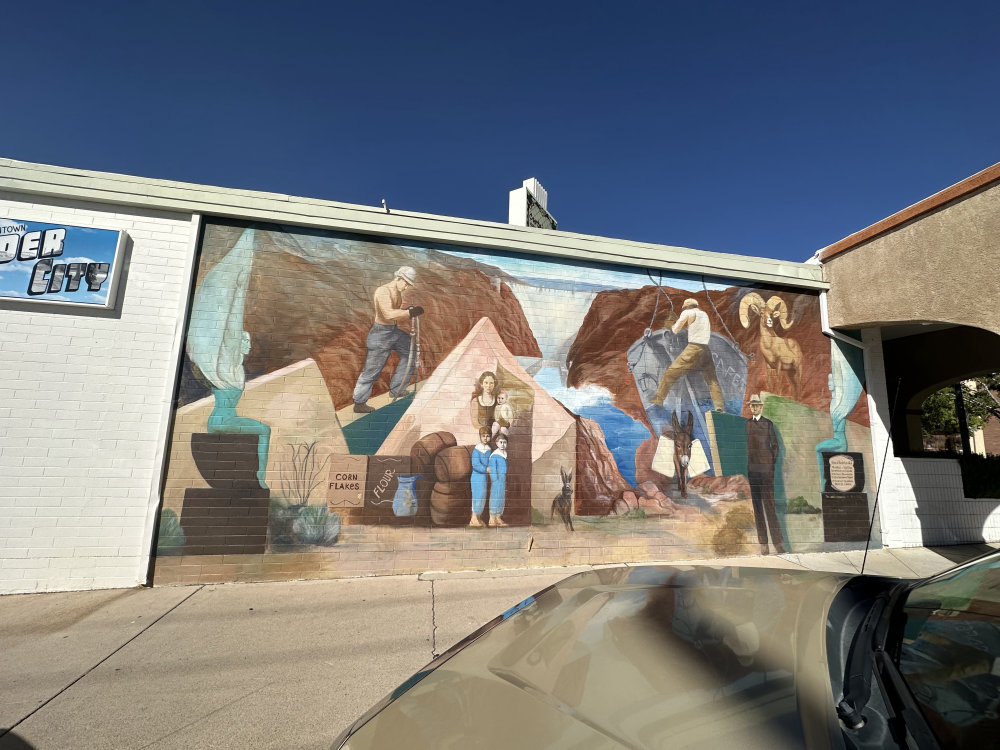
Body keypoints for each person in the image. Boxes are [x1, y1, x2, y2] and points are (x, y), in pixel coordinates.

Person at [352, 267, 424, 413]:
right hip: (380, 334)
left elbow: (397, 314)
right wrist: (409, 312)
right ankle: (359, 403)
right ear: (399, 278)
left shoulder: (398, 292)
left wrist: (408, 310)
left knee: (412, 351)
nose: (406, 287)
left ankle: (397, 388)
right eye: (406, 283)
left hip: (393, 332)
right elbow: (388, 314)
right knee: (371, 371)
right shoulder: (383, 291)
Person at [649, 298, 724, 411]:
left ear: (686, 307)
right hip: (706, 349)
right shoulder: (704, 314)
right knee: (712, 380)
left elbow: (675, 329)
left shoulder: (687, 312)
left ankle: (659, 399)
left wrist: (670, 326)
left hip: (693, 348)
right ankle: (720, 407)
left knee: (670, 374)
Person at [745, 394, 786, 554]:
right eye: (752, 405)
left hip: (766, 471)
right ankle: (763, 543)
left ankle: (778, 543)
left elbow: (775, 446)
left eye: (757, 405)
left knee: (770, 507)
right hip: (753, 471)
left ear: (761, 407)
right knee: (757, 508)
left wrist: (770, 464)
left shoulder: (768, 424)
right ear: (750, 407)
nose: (754, 407)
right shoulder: (747, 424)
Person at [470, 428, 492, 527]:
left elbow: (490, 462)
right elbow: (475, 464)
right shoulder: (476, 450)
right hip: (477, 477)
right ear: (480, 437)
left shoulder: (489, 449)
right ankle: (473, 518)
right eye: (483, 436)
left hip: (484, 478)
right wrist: (485, 469)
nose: (485, 438)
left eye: (487, 436)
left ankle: (478, 518)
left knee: (482, 497)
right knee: (477, 497)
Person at [487, 434, 509, 527]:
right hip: (496, 479)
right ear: (497, 443)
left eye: (505, 442)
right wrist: (495, 479)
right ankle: (492, 519)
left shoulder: (504, 454)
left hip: (502, 479)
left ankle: (498, 517)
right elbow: (492, 469)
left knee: (501, 497)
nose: (503, 444)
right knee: (495, 497)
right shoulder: (495, 455)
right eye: (501, 442)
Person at [470, 371, 499, 435]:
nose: (488, 386)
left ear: (494, 385)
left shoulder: (497, 400)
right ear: (481, 384)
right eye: (486, 383)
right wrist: (485, 431)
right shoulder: (475, 401)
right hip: (480, 433)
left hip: (495, 433)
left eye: (491, 383)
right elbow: (475, 422)